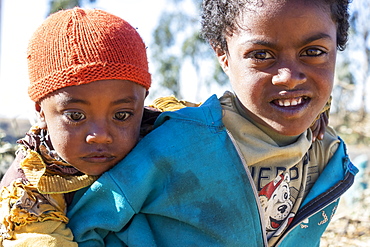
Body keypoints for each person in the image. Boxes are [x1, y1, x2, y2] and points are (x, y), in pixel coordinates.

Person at [65, 0, 359, 246]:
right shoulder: (177, 142)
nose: (289, 76)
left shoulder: (328, 157)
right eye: (261, 55)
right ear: (223, 56)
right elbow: (88, 224)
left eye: (313, 52)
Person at [0, 7, 154, 246]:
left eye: (122, 115)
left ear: (142, 105)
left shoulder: (165, 134)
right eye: (75, 116)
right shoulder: (29, 188)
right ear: (41, 111)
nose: (100, 136)